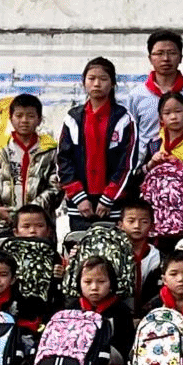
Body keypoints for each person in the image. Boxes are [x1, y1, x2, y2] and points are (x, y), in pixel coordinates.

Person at [57, 57, 137, 237]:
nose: (97, 84)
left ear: (113, 83)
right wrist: (79, 197)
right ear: (83, 82)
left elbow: (127, 164)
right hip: (80, 205)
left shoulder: (124, 119)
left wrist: (108, 198)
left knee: (112, 249)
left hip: (113, 204)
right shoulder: (73, 118)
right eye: (91, 78)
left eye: (103, 79)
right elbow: (63, 160)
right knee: (80, 249)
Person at [0, 93, 59, 242]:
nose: (24, 120)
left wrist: (31, 213)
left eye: (30, 116)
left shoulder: (50, 150)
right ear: (10, 118)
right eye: (19, 116)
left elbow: (56, 186)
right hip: (3, 223)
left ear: (39, 119)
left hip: (39, 226)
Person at [124, 31, 183, 146]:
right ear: (150, 58)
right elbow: (129, 138)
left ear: (181, 57)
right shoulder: (136, 96)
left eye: (172, 53)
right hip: (147, 157)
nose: (166, 58)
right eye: (159, 53)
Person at [135, 90, 183, 221]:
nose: (173, 117)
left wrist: (180, 166)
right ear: (161, 118)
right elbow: (139, 178)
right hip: (155, 211)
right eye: (167, 113)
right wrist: (151, 164)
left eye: (178, 111)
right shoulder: (154, 145)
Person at [75, 256, 137, 365]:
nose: (94, 287)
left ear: (111, 283)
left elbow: (126, 345)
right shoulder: (72, 309)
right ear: (79, 283)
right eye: (87, 282)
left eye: (101, 282)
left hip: (108, 356)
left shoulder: (121, 310)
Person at [116, 198, 163, 295]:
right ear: (120, 225)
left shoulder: (157, 257)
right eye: (131, 221)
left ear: (152, 226)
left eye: (144, 222)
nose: (137, 226)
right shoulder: (113, 253)